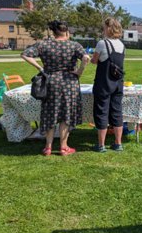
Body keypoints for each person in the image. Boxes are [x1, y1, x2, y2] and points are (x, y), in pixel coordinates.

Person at [21, 20, 89, 156]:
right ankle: (64, 147)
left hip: (50, 82)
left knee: (50, 114)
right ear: (67, 32)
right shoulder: (74, 45)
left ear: (53, 32)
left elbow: (25, 54)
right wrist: (80, 71)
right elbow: (86, 58)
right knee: (66, 115)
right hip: (69, 83)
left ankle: (48, 147)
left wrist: (40, 67)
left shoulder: (44, 44)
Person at [91, 17, 125, 152]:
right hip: (117, 84)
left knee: (101, 112)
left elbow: (95, 60)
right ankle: (118, 143)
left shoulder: (102, 43)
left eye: (104, 27)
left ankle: (101, 145)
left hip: (103, 84)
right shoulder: (122, 45)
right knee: (117, 113)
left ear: (108, 28)